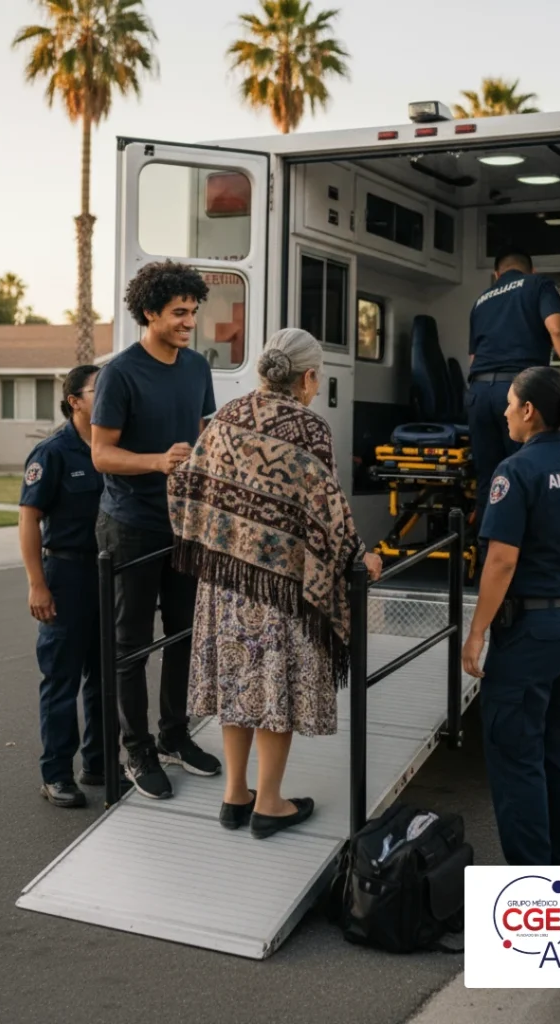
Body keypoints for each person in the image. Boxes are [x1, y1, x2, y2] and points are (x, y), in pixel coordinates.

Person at [167, 329, 383, 839]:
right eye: (319, 377)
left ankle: (233, 794)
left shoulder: (225, 418)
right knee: (274, 687)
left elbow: (186, 483)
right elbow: (328, 515)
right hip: (284, 587)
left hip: (225, 583)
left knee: (238, 684)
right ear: (308, 377)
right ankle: (269, 804)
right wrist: (361, 557)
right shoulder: (310, 428)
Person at [461, 367, 560, 866]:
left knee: (516, 759)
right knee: (559, 755)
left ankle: (530, 889)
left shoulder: (515, 472)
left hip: (531, 635)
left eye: (509, 403)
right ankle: (556, 870)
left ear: (529, 411)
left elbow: (502, 561)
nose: (503, 412)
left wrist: (477, 632)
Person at [91, 260, 221, 800]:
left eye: (193, 312)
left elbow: (201, 432)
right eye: (179, 313)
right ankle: (137, 749)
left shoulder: (196, 367)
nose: (189, 321)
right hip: (132, 526)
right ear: (150, 313)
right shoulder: (120, 373)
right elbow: (101, 454)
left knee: (185, 636)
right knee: (131, 645)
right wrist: (156, 462)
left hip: (184, 526)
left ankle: (173, 737)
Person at [19, 364, 113, 808]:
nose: (108, 395)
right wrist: (37, 584)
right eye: (99, 389)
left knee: (105, 675)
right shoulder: (52, 452)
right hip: (67, 572)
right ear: (74, 400)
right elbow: (29, 519)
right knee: (62, 679)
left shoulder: (115, 444)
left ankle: (97, 764)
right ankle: (56, 774)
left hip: (109, 575)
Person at [467, 250, 560, 549]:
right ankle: (526, 561)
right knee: (527, 473)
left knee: (490, 479)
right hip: (517, 393)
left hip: (479, 394)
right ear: (531, 270)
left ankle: (488, 560)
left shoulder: (481, 300)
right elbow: (557, 328)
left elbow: (473, 357)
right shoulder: (539, 286)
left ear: (497, 275)